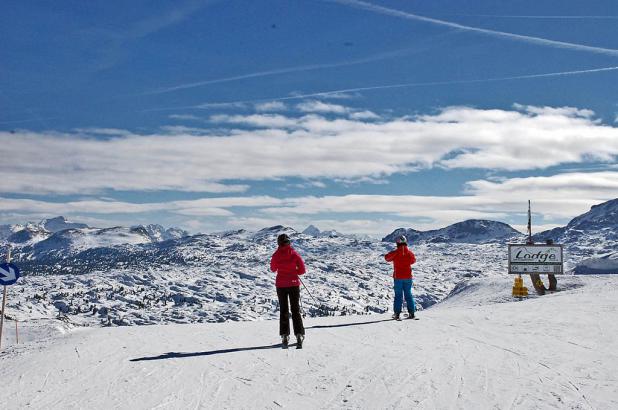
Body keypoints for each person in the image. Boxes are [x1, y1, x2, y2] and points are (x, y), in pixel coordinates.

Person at [270, 233, 306, 348]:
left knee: (284, 310)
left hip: (281, 285)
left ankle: (285, 335)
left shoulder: (276, 255)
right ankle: (299, 334)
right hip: (294, 284)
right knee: (295, 310)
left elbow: (272, 269)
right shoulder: (294, 254)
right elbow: (302, 270)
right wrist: (294, 272)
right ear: (289, 242)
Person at [384, 235, 417, 320]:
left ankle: (397, 314)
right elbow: (413, 260)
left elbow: (387, 258)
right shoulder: (410, 253)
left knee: (398, 296)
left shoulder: (395, 252)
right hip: (408, 277)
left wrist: (396, 254)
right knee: (408, 295)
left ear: (397, 243)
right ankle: (412, 313)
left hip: (398, 277)